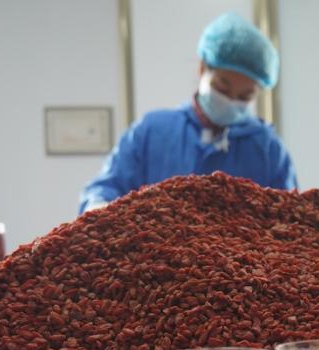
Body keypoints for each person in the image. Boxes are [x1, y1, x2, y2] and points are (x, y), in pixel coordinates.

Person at [79, 12, 297, 213]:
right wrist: (98, 209)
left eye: (244, 96)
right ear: (202, 68)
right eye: (222, 88)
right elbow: (106, 187)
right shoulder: (151, 132)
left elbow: (290, 217)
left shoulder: (267, 149)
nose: (231, 101)